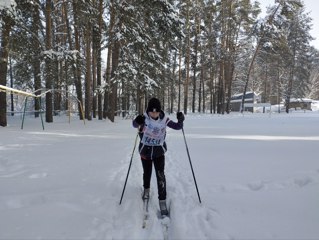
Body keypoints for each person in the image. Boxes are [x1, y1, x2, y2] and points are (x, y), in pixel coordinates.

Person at [132, 97, 185, 216]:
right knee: (147, 173)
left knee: (160, 176)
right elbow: (134, 125)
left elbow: (177, 127)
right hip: (145, 152)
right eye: (152, 111)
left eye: (156, 111)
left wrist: (181, 120)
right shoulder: (144, 118)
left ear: (159, 111)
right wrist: (137, 120)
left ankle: (162, 200)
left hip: (159, 153)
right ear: (148, 111)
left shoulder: (164, 119)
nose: (154, 113)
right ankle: (146, 190)